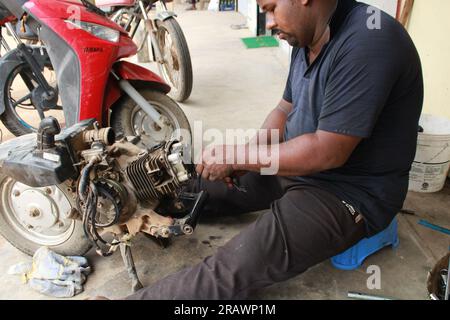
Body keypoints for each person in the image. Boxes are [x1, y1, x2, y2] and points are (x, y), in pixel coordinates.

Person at [124, 0, 423, 299]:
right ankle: (121, 207)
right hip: (296, 162)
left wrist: (240, 157)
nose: (267, 23)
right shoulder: (306, 36)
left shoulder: (370, 40)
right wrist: (246, 156)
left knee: (234, 265)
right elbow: (284, 109)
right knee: (191, 185)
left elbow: (328, 152)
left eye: (270, 8)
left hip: (348, 193)